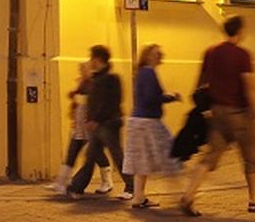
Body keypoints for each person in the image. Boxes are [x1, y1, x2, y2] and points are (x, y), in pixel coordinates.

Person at [179, 16, 255, 216]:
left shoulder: (210, 52)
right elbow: (250, 88)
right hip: (240, 113)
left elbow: (200, 85)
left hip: (217, 113)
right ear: (240, 32)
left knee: (210, 156)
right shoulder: (242, 55)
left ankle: (189, 194)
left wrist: (207, 109)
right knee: (251, 156)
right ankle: (254, 199)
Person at [67, 45, 134, 199]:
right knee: (91, 154)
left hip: (109, 123)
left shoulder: (111, 78)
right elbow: (93, 102)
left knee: (117, 154)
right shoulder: (96, 78)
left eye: (91, 58)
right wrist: (90, 120)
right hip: (97, 124)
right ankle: (77, 186)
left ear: (97, 60)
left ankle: (131, 187)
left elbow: (110, 102)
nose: (90, 62)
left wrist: (95, 119)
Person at [123, 44, 182, 210]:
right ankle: (179, 195)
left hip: (137, 121)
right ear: (148, 56)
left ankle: (138, 197)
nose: (159, 56)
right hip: (148, 122)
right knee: (170, 154)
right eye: (155, 54)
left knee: (142, 161)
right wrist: (170, 97)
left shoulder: (141, 73)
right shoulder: (148, 72)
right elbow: (151, 97)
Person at [46, 59, 110, 196]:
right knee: (72, 152)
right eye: (80, 69)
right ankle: (61, 182)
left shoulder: (95, 83)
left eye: (83, 69)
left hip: (90, 124)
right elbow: (77, 100)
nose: (81, 72)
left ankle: (106, 181)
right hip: (80, 125)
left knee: (96, 154)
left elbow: (95, 102)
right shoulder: (83, 82)